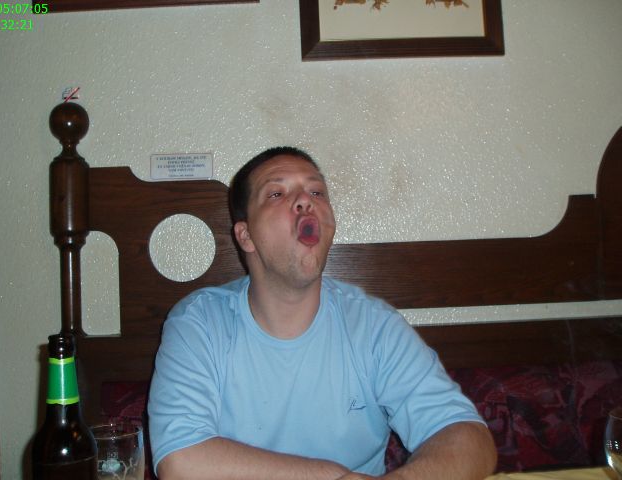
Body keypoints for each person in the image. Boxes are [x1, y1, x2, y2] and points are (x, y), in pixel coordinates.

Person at [148, 146, 497, 479]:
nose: (305, 200)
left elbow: (470, 439)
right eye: (276, 194)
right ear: (246, 235)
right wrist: (329, 475)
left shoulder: (374, 326)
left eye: (316, 192)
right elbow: (180, 462)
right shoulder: (199, 323)